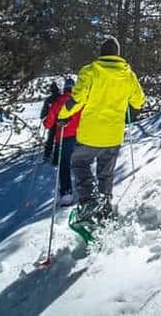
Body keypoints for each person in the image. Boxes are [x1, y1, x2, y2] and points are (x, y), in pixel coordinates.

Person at [58, 36, 145, 221]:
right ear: (117, 54)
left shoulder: (90, 71)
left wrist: (63, 115)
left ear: (101, 53)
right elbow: (139, 100)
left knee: (80, 163)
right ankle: (105, 208)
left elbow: (77, 99)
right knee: (106, 173)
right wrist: (130, 108)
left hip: (90, 134)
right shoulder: (128, 74)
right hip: (113, 136)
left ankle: (88, 203)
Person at [43, 78, 79, 205]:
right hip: (78, 136)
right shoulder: (78, 101)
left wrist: (45, 122)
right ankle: (84, 190)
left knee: (64, 165)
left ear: (64, 89)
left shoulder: (58, 102)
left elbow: (49, 123)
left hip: (63, 137)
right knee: (81, 163)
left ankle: (66, 193)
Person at [40, 81, 60, 162]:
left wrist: (42, 117)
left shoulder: (49, 99)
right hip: (60, 121)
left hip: (51, 121)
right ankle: (56, 155)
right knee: (58, 139)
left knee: (50, 138)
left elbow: (44, 110)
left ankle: (47, 154)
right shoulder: (60, 97)